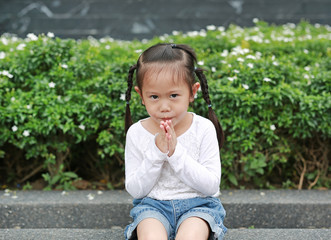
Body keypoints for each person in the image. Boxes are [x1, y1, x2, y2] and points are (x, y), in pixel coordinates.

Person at [124, 43, 227, 240]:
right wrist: (157, 152)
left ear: (192, 92)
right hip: (153, 207)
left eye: (173, 96)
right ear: (141, 96)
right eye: (154, 96)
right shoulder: (136, 133)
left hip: (198, 207)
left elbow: (211, 186)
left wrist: (175, 152)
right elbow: (136, 190)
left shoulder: (203, 128)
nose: (164, 106)